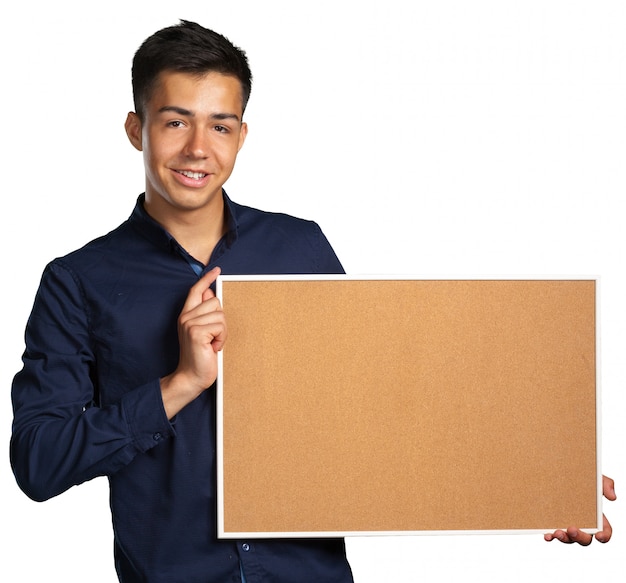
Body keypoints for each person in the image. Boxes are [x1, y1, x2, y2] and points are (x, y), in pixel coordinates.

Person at [9, 19, 615, 583]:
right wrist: (182, 383)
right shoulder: (76, 281)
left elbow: (387, 405)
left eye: (220, 125)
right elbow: (38, 465)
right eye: (175, 122)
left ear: (242, 136)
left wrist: (544, 477)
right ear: (136, 128)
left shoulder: (298, 245)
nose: (199, 147)